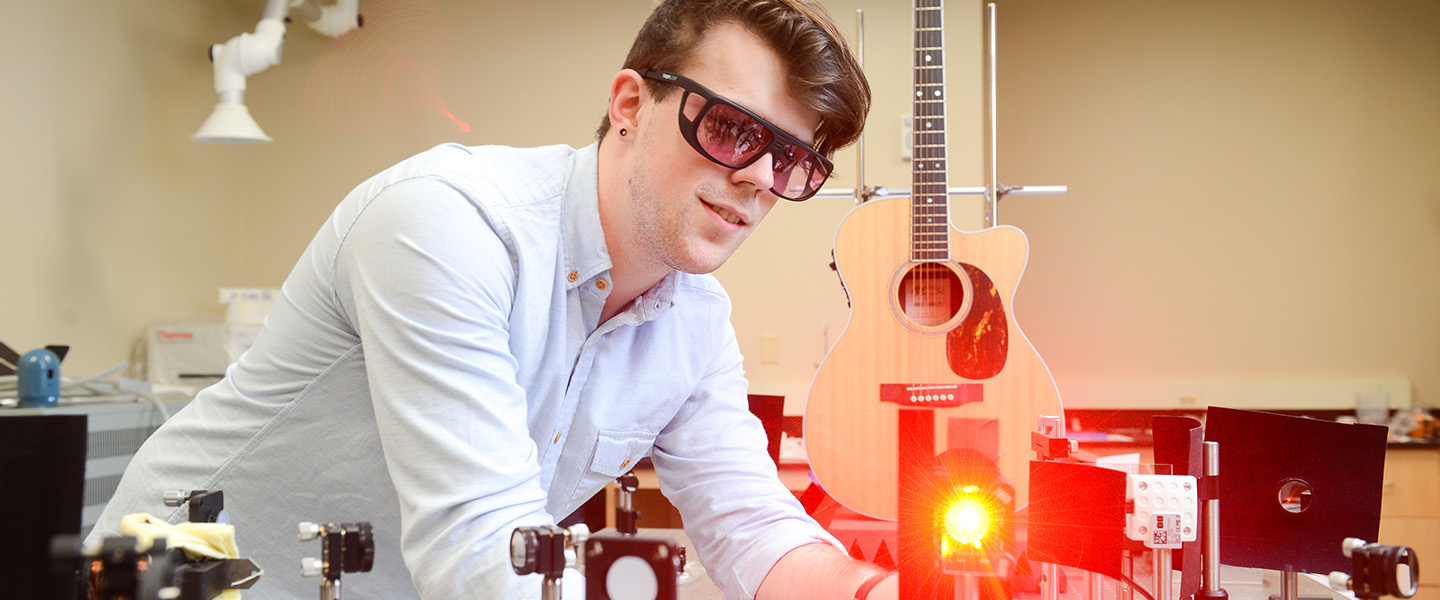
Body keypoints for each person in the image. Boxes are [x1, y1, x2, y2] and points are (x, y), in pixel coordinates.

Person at [91, 0, 893, 598]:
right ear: (627, 107)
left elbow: (751, 524)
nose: (759, 178)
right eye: (729, 128)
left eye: (791, 160)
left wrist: (872, 590)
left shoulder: (696, 327)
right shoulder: (447, 222)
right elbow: (484, 542)